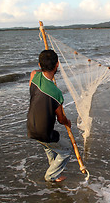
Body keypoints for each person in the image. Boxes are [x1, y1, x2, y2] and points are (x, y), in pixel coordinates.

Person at [27, 49, 72, 182]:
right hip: (44, 132)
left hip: (31, 126)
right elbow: (60, 118)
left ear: (39, 65)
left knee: (49, 147)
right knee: (66, 150)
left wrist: (45, 69)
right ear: (57, 65)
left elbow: (38, 72)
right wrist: (67, 122)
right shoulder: (56, 93)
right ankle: (51, 176)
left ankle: (54, 171)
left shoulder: (34, 75)